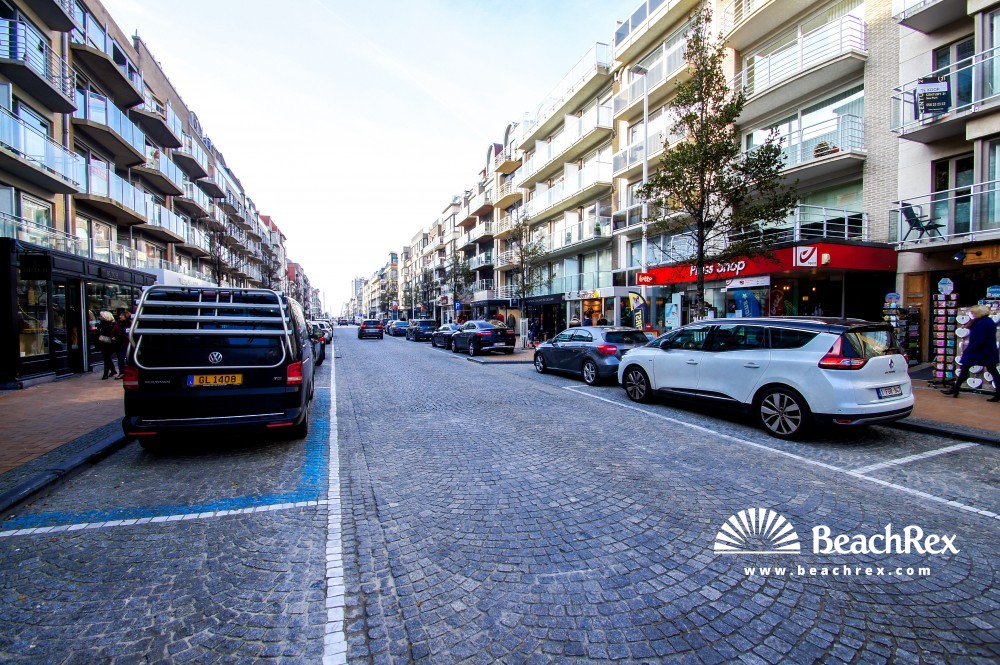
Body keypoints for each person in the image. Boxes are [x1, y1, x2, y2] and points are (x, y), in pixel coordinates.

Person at [943, 305, 999, 401]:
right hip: (986, 351)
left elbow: (980, 338)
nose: (972, 314)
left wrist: (970, 349)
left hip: (980, 351)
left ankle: (955, 389)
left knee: (966, 368)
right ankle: (955, 389)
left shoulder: (983, 323)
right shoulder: (985, 321)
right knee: (990, 371)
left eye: (973, 312)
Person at [96, 310, 120, 379]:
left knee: (107, 358)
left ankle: (105, 374)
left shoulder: (112, 325)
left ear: (105, 317)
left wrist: (101, 337)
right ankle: (113, 370)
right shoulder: (101, 324)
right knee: (107, 358)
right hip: (103, 343)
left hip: (109, 344)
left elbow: (113, 335)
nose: (99, 317)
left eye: (101, 316)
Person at [114, 310, 131, 379]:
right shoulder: (118, 324)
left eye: (122, 315)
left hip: (127, 343)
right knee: (120, 359)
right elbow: (113, 331)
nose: (120, 316)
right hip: (119, 343)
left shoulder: (130, 324)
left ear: (126, 317)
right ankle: (122, 372)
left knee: (128, 359)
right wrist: (113, 336)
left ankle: (128, 373)